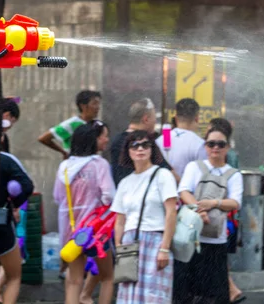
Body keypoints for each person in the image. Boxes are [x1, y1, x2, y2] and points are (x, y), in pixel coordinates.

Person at [175, 127, 243, 304]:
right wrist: (200, 210)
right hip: (190, 237)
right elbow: (183, 191)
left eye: (220, 144)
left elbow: (236, 202)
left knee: (215, 295)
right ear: (205, 146)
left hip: (216, 241)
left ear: (227, 147)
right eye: (211, 143)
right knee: (186, 293)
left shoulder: (234, 174)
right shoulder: (193, 167)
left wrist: (213, 203)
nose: (215, 148)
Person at [111, 130, 177, 304]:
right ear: (128, 151)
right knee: (128, 297)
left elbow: (171, 212)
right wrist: (119, 248)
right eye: (135, 145)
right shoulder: (125, 182)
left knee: (153, 296)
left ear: (152, 149)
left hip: (155, 240)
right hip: (129, 245)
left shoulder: (163, 175)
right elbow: (120, 220)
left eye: (145, 145)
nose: (140, 149)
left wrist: (164, 247)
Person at [53, 121, 115, 304]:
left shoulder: (64, 166)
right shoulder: (99, 164)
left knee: (73, 280)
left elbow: (58, 196)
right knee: (107, 277)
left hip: (71, 230)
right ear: (93, 140)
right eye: (103, 135)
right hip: (96, 231)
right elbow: (109, 196)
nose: (106, 139)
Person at [207, 118, 246, 304]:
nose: (215, 147)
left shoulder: (224, 160)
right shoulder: (232, 154)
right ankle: (230, 288)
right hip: (229, 216)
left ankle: (229, 289)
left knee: (218, 255)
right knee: (220, 256)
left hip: (222, 215)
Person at [0, 150, 34, 304]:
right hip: (0, 223)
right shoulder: (5, 160)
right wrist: (15, 204)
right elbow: (27, 186)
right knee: (14, 277)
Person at [110, 98, 173, 186]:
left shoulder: (116, 141)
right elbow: (169, 173)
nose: (155, 122)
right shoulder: (146, 143)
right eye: (154, 118)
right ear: (146, 119)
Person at [38, 91, 101, 159]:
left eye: (98, 104)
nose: (98, 107)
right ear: (83, 106)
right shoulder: (71, 124)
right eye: (94, 103)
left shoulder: (96, 124)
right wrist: (63, 152)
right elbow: (43, 138)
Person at [155, 98, 206, 179]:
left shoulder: (162, 138)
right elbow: (202, 176)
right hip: (187, 191)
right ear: (197, 118)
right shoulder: (199, 144)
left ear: (176, 118)